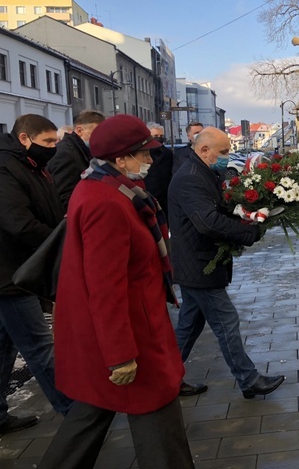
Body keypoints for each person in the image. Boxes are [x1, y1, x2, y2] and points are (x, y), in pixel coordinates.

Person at [39, 114, 194, 469]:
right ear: (121, 158)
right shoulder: (106, 201)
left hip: (125, 329)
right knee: (156, 415)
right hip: (130, 334)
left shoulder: (107, 187)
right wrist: (120, 354)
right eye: (145, 154)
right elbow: (105, 286)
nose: (151, 161)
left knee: (91, 414)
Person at [169, 127, 285, 399]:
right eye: (222, 152)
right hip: (198, 264)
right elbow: (208, 222)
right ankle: (248, 379)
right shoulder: (190, 178)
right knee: (226, 322)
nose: (226, 157)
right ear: (204, 150)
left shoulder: (203, 171)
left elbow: (220, 209)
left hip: (196, 263)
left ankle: (166, 379)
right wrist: (248, 232)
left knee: (189, 325)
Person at [0, 114, 73, 434]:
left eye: (56, 141)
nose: (54, 148)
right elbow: (18, 222)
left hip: (19, 269)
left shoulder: (31, 165)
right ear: (24, 139)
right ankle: (77, 413)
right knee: (40, 346)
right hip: (10, 275)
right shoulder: (6, 169)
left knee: (4, 348)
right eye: (48, 142)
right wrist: (61, 242)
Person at [47, 110, 105, 210]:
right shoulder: (66, 153)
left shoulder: (79, 150)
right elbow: (63, 195)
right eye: (96, 133)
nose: (100, 139)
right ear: (79, 130)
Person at [144, 123, 173, 215]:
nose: (159, 138)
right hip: (148, 193)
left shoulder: (168, 153)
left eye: (161, 136)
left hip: (165, 196)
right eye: (156, 136)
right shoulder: (143, 153)